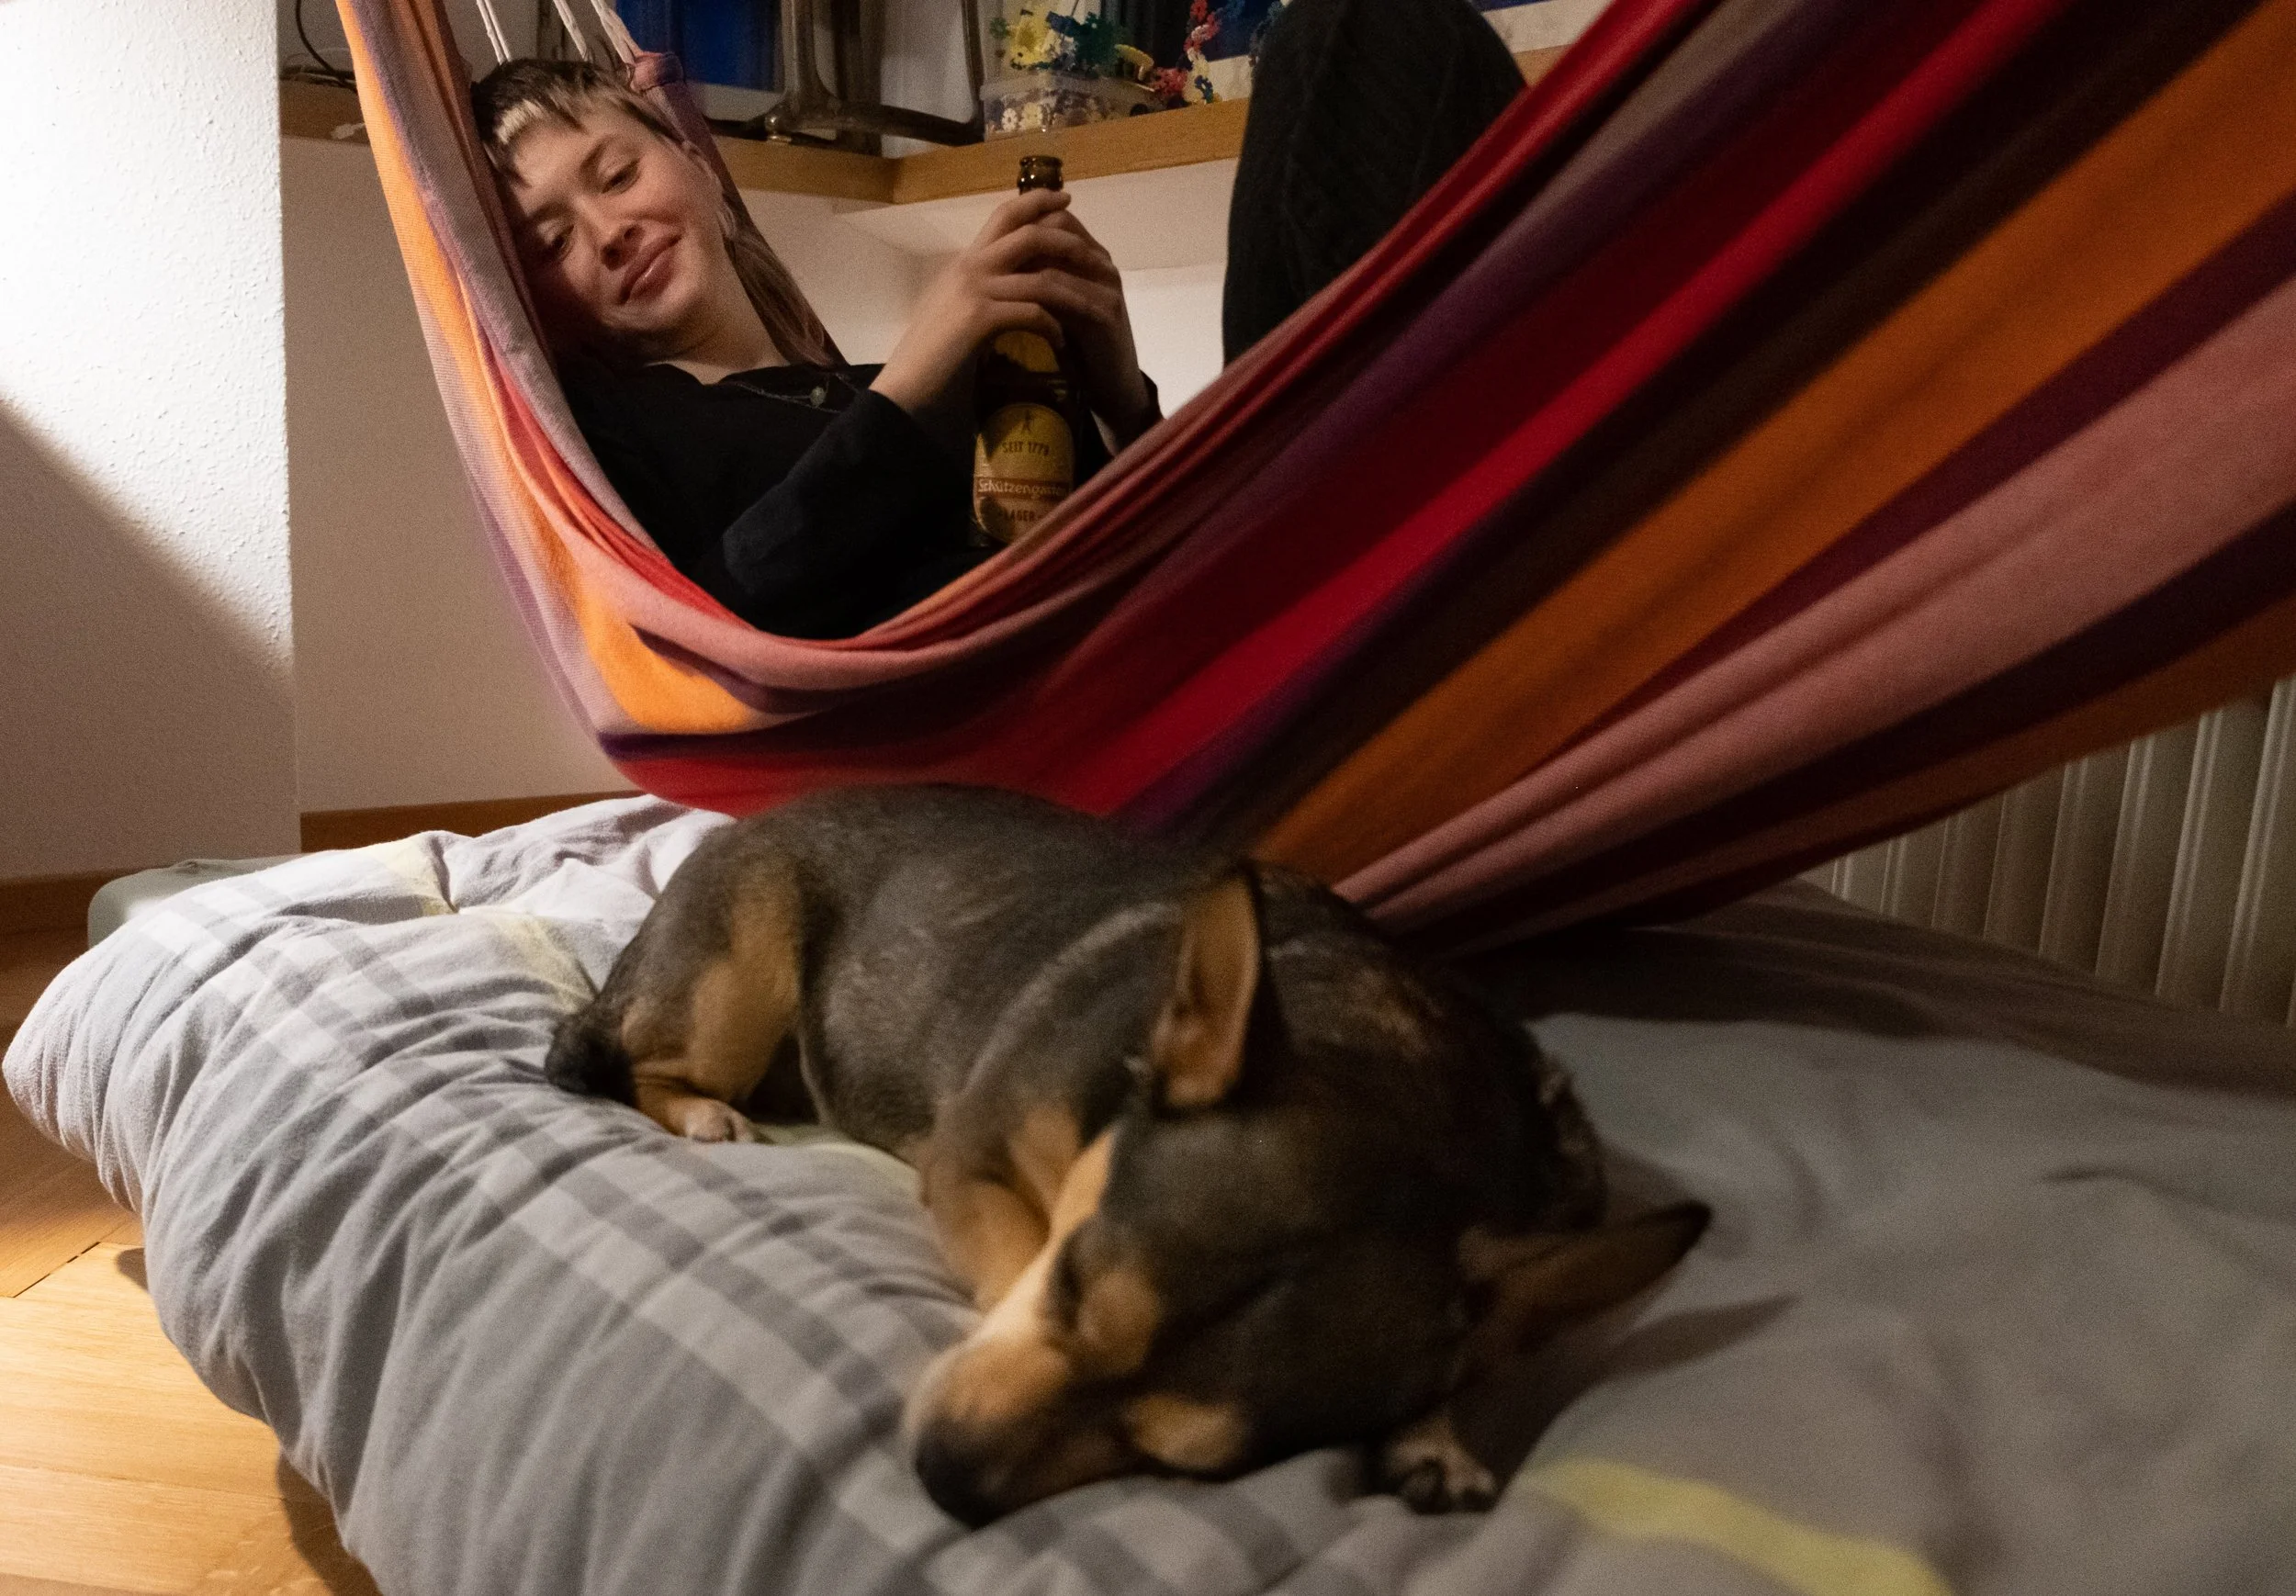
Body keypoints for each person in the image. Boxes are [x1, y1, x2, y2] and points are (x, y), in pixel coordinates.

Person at [471, 0, 1520, 639]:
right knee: (1348, 37)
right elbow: (711, 630)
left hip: (1191, 607)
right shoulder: (626, 430)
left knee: (1410, 36)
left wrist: (1117, 385)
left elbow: (1115, 533)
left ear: (695, 162)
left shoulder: (873, 378)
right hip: (1064, 699)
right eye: (551, 241)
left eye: (615, 172)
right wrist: (917, 377)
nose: (607, 230)